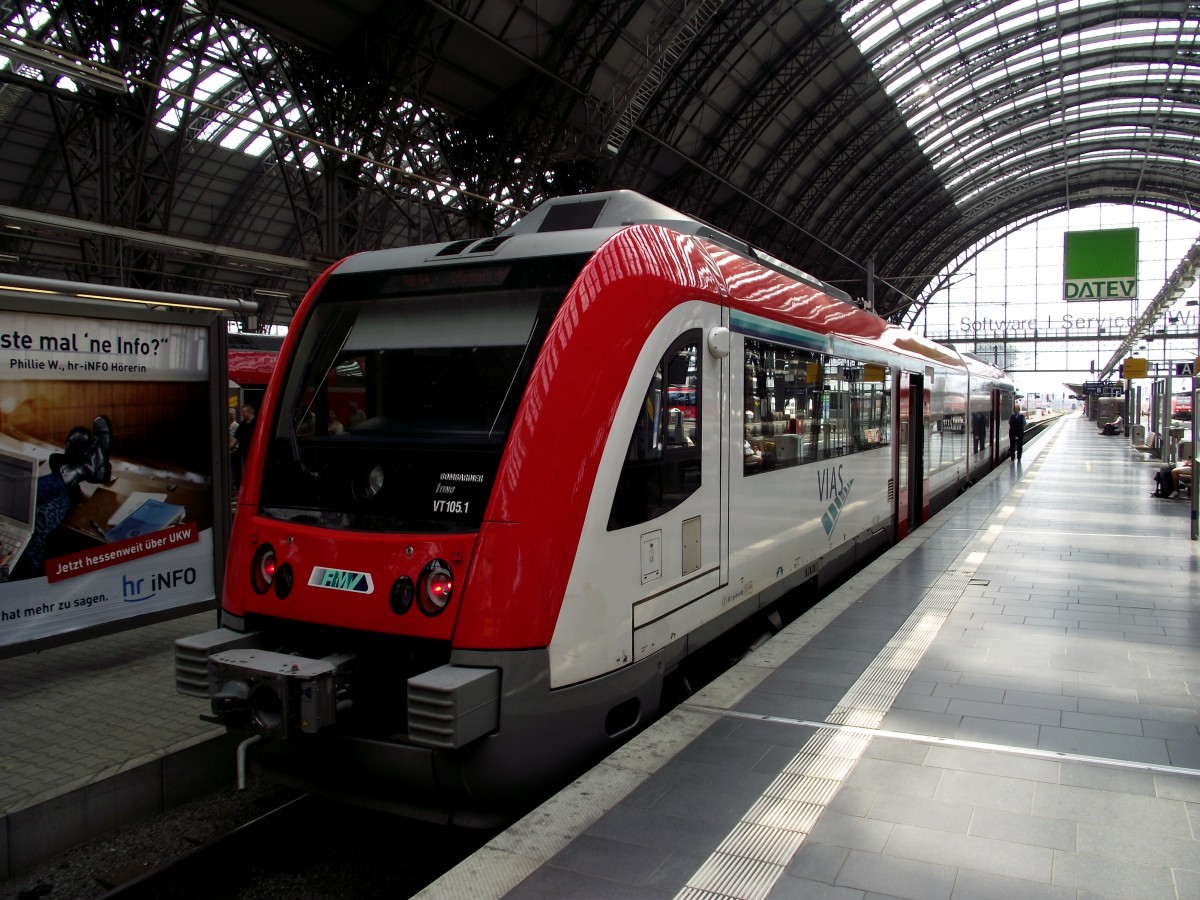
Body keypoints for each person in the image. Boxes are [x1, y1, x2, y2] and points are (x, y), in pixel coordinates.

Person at [232, 405, 256, 488]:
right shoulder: (242, 425)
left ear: (249, 412)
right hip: (244, 453)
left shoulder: (257, 424)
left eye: (243, 412)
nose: (242, 414)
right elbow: (236, 438)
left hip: (254, 453)